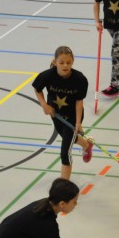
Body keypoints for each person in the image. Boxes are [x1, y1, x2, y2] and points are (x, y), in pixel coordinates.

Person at [32, 46, 93, 180]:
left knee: (65, 152)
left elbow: (79, 102)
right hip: (56, 115)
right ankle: (87, 145)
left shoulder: (80, 79)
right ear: (55, 62)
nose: (65, 65)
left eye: (68, 62)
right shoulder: (47, 75)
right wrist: (44, 105)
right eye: (61, 62)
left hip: (73, 117)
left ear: (73, 62)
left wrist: (78, 123)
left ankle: (63, 185)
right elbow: (37, 89)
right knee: (68, 138)